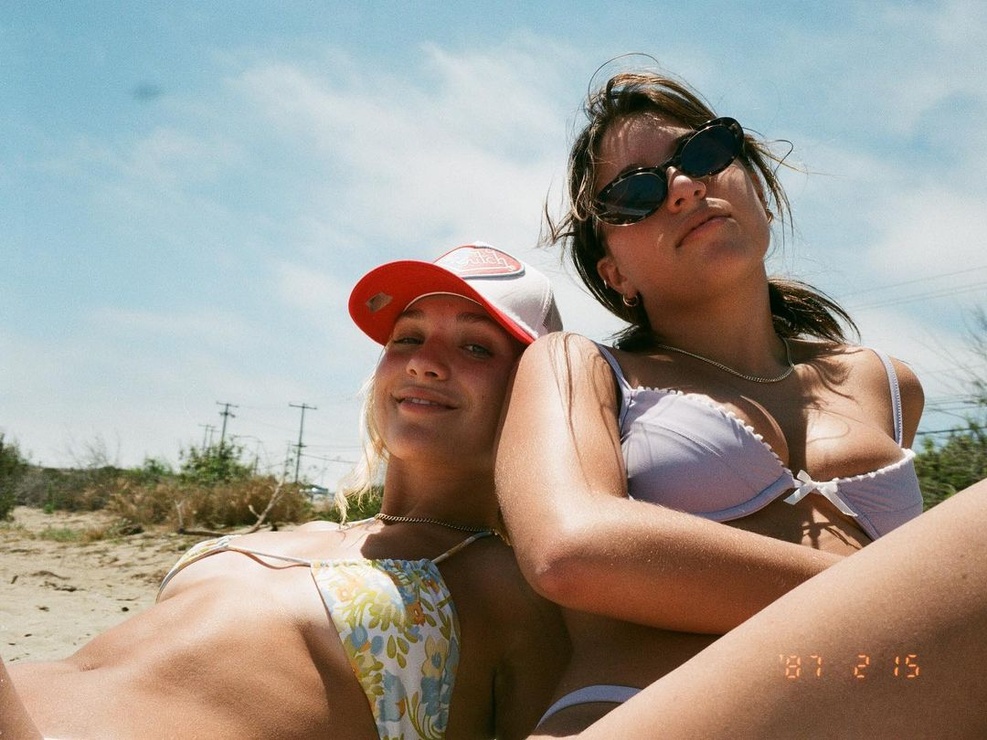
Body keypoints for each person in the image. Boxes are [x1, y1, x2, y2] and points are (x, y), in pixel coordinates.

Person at [495, 68, 927, 735]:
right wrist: (906, 605)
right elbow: (571, 550)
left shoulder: (885, 383)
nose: (683, 187)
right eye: (635, 191)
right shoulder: (581, 367)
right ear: (613, 272)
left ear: (761, 194)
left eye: (703, 154)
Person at [1, 242, 568, 739]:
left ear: (531, 390)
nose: (423, 362)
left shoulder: (517, 582)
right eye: (408, 337)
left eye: (475, 348)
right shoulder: (312, 532)